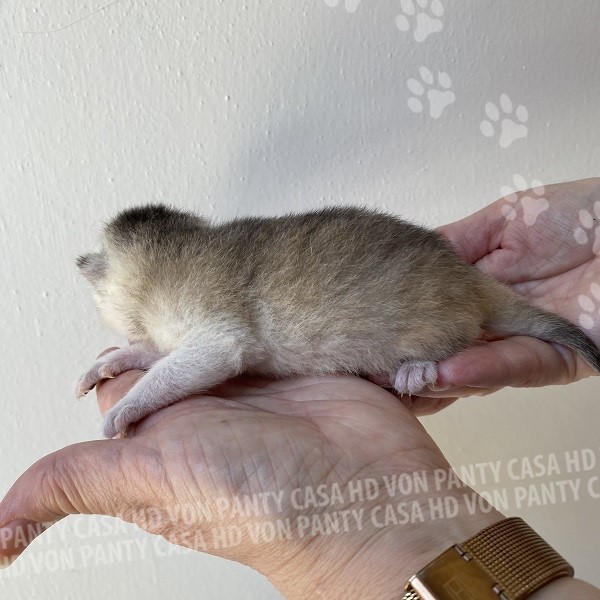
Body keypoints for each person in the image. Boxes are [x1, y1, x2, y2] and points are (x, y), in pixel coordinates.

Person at [1, 178, 599, 599]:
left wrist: (137, 399)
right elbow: (199, 340)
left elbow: (220, 346)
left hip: (434, 302)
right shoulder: (206, 263)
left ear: (106, 277)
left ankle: (441, 343)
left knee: (420, 329)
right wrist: (143, 358)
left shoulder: (180, 284)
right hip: (419, 279)